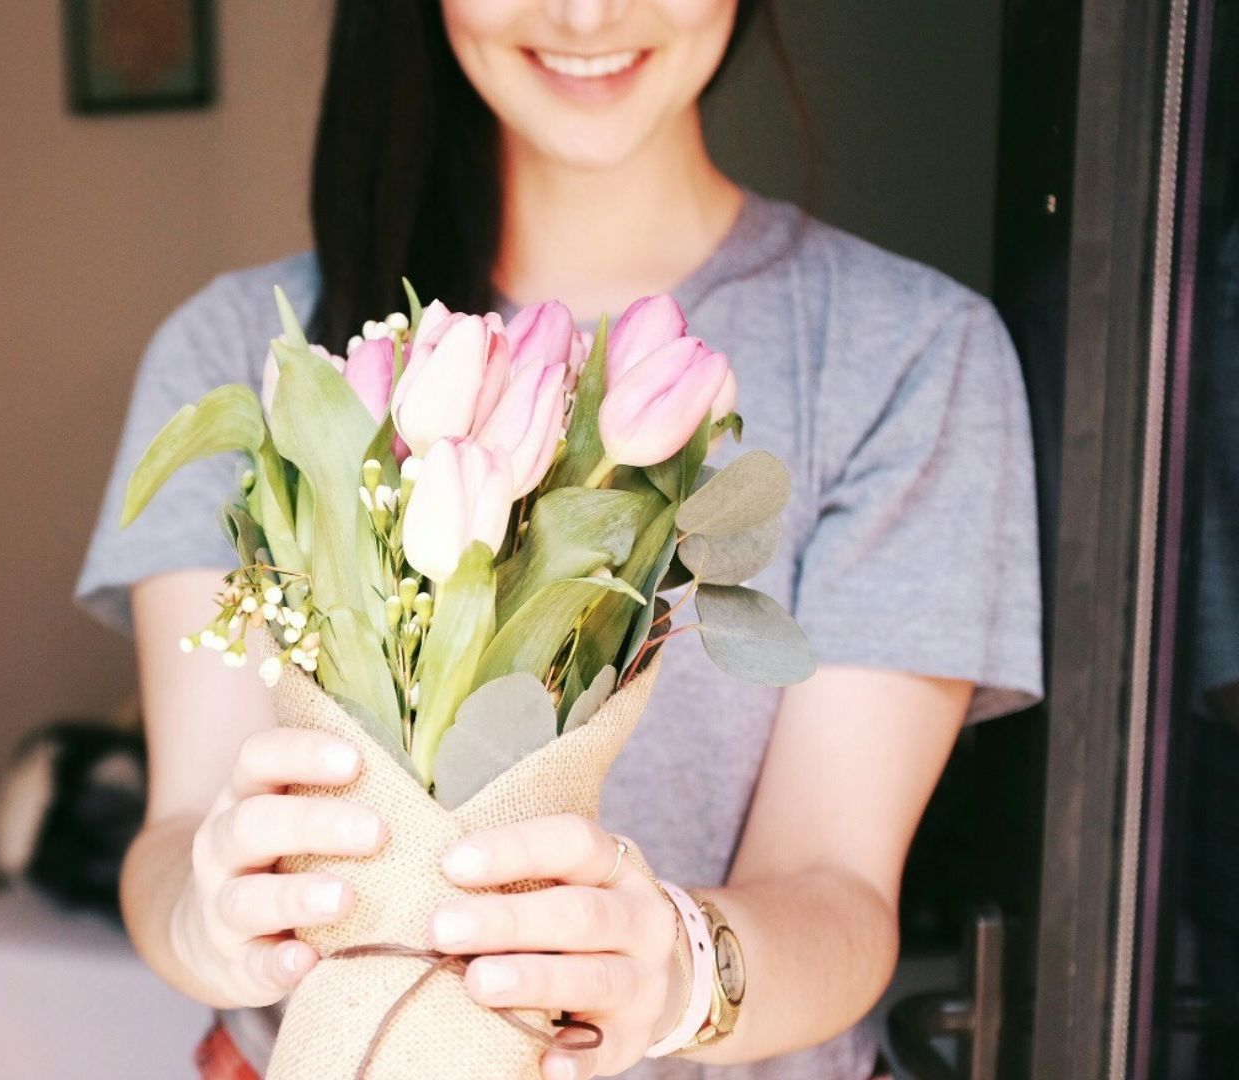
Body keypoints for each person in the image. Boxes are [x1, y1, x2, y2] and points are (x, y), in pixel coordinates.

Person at [75, 1, 1042, 1076]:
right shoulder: (260, 358)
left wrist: (679, 970)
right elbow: (176, 837)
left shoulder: (908, 354)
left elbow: (841, 891)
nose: (586, 14)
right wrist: (205, 921)